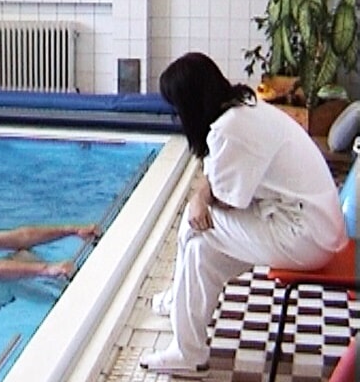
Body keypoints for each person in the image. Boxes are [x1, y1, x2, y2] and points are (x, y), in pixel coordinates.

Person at [139, 53, 348, 378]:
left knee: (194, 224)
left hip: (305, 236)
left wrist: (200, 197)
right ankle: (186, 339)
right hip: (314, 226)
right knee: (201, 250)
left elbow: (225, 200)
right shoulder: (245, 106)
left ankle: (184, 343)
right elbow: (218, 183)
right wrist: (203, 194)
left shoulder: (229, 129)